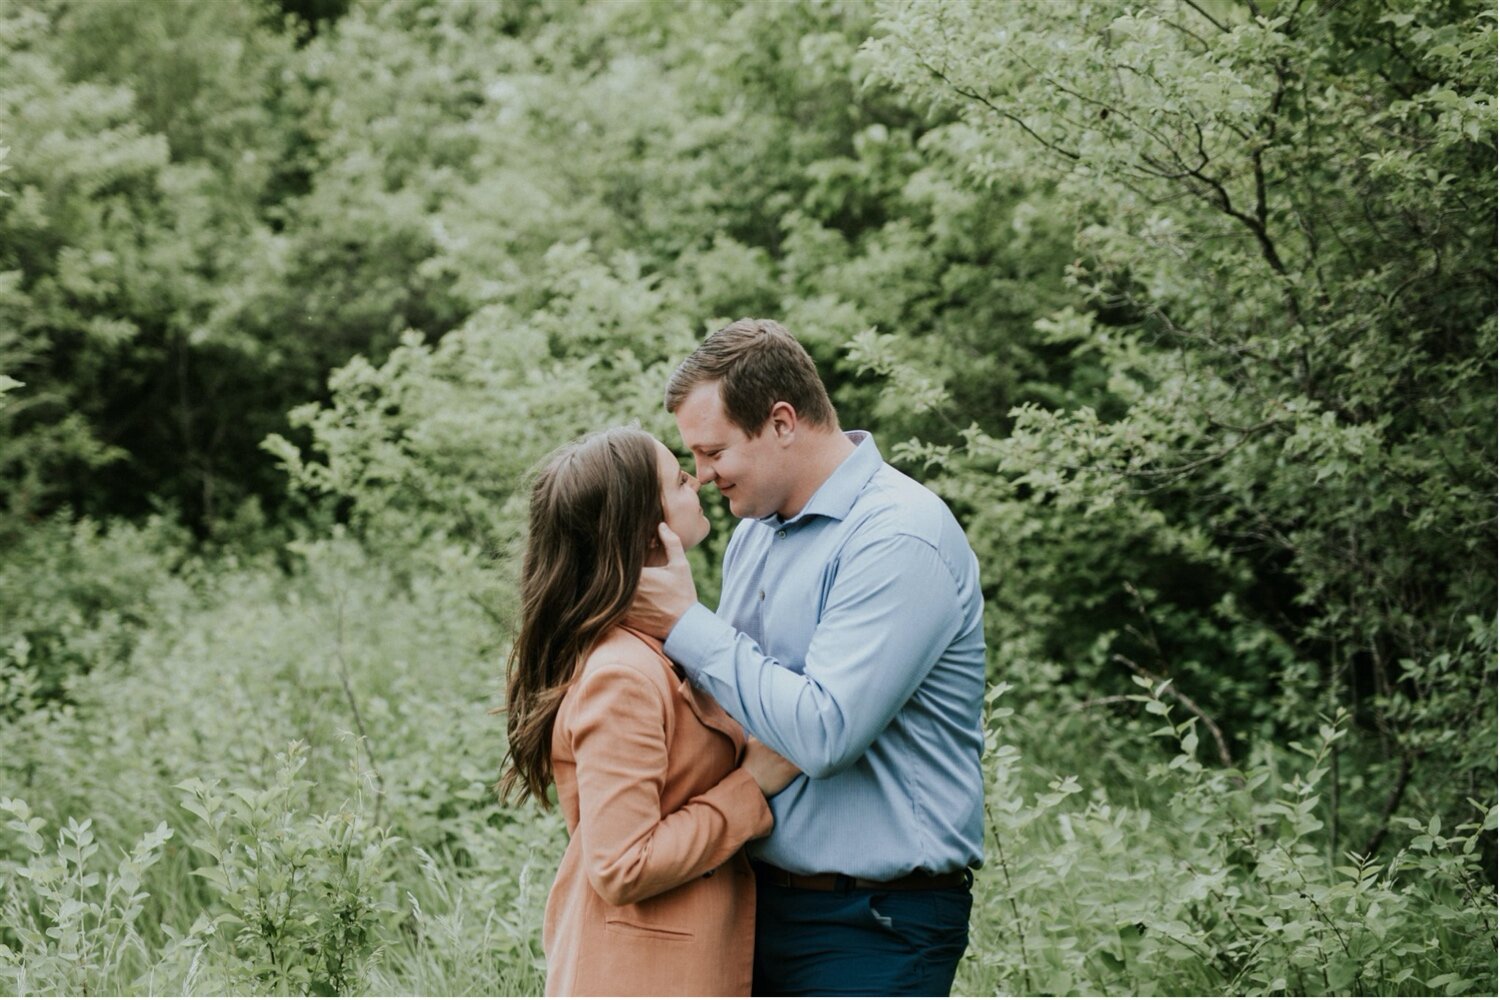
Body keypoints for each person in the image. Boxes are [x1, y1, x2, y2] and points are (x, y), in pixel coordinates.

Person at [627, 318, 987, 996]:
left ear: (783, 422)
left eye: (712, 452)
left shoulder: (898, 536)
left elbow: (823, 734)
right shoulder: (754, 535)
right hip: (755, 902)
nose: (702, 477)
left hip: (873, 921)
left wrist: (683, 621)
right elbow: (738, 710)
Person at [499, 426, 799, 997]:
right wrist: (750, 787)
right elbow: (620, 865)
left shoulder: (656, 647)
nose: (700, 484)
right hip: (637, 973)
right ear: (647, 529)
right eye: (681, 481)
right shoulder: (622, 674)